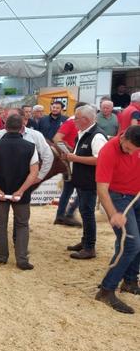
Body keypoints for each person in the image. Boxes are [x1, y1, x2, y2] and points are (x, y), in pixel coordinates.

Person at [0, 108, 54, 253]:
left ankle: (16, 246)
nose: (9, 120)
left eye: (13, 117)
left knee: (17, 219)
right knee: (2, 219)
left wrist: (39, 177)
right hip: (4, 183)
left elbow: (48, 156)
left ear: (25, 119)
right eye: (8, 117)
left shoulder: (35, 136)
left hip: (21, 184)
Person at [0, 114, 40, 270]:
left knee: (0, 224)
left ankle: (1, 256)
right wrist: (21, 190)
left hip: (0, 192)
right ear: (22, 127)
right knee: (22, 224)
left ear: (4, 127)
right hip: (21, 194)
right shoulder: (31, 146)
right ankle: (21, 259)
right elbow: (34, 172)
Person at [94, 125, 140, 313]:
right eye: (127, 148)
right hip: (118, 197)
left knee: (137, 242)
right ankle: (106, 290)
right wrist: (113, 214)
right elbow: (102, 189)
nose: (129, 153)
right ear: (122, 138)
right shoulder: (108, 151)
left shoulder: (136, 147)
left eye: (134, 151)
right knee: (130, 244)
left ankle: (130, 281)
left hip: (136, 195)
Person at [62, 105, 108, 260]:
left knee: (87, 214)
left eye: (76, 117)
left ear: (86, 119)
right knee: (84, 212)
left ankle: (90, 247)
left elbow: (100, 160)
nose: (74, 120)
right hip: (82, 181)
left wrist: (75, 158)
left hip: (90, 182)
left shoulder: (97, 136)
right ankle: (85, 241)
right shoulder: (83, 133)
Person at [52, 103, 90, 227]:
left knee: (70, 189)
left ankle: (62, 214)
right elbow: (57, 138)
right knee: (83, 188)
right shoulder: (71, 122)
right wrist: (71, 150)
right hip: (72, 161)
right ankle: (67, 213)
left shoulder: (80, 124)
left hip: (74, 159)